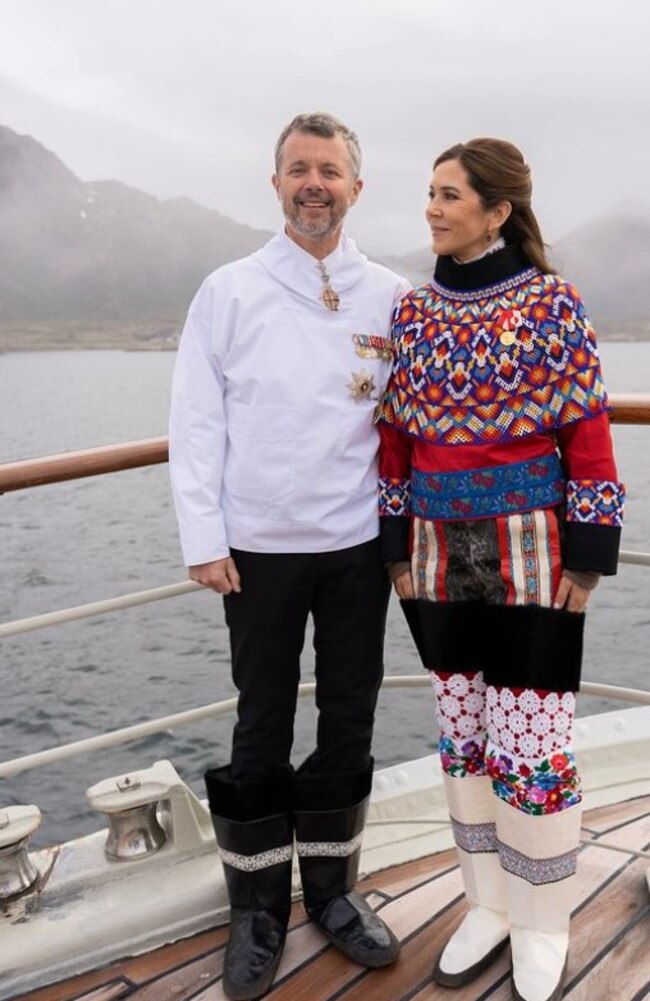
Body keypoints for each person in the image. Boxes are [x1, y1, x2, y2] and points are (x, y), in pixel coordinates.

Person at [169, 112, 409, 1000]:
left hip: (354, 547)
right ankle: (258, 908)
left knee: (349, 717)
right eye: (299, 169)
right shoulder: (228, 290)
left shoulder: (389, 293)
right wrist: (204, 537)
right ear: (276, 184)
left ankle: (335, 894)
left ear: (355, 186)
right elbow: (195, 423)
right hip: (257, 549)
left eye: (331, 170)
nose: (315, 183)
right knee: (261, 723)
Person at [378, 138, 624, 1001]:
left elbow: (588, 435)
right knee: (464, 738)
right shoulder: (412, 313)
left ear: (497, 211)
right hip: (439, 552)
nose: (433, 208)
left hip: (533, 551)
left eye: (449, 195)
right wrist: (393, 544)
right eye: (430, 193)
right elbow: (396, 442)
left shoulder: (554, 304)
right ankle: (485, 902)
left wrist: (590, 556)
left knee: (533, 741)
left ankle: (543, 918)